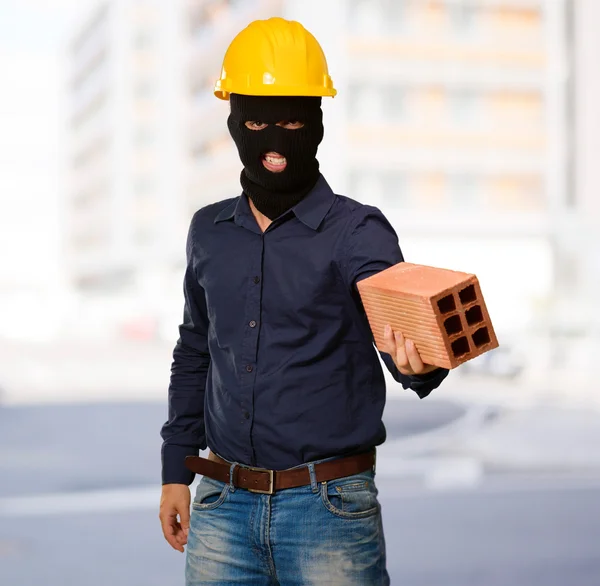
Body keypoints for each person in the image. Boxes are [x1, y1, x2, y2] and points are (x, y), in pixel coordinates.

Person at [159, 16, 449, 585]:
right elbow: (194, 349)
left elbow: (403, 338)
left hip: (328, 511)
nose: (275, 141)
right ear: (234, 123)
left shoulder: (358, 232)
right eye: (258, 122)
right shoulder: (208, 231)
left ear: (317, 122)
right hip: (221, 505)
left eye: (292, 120)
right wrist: (176, 471)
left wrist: (422, 364)